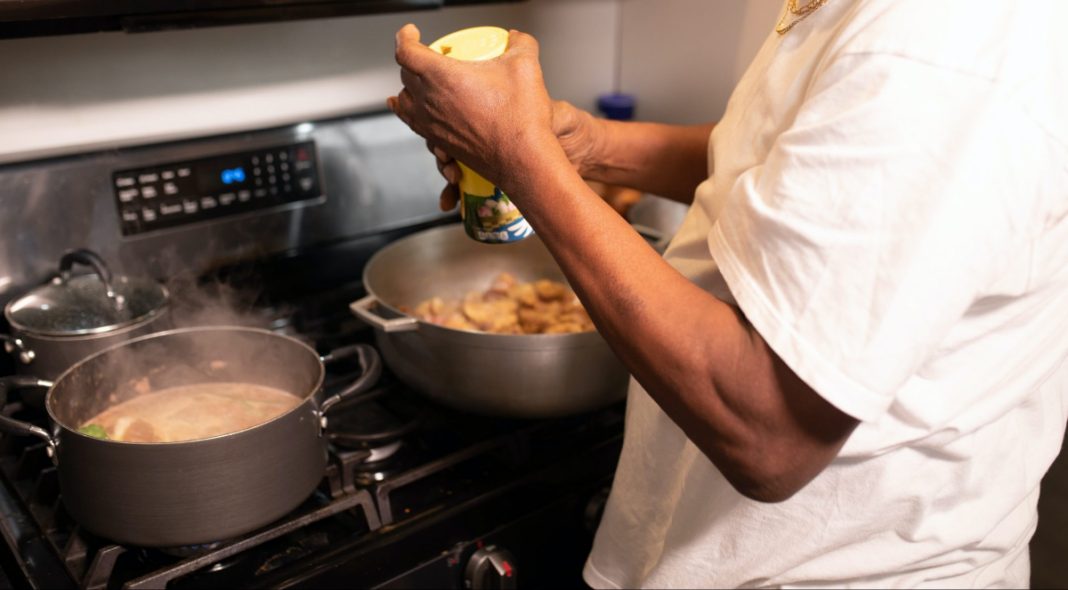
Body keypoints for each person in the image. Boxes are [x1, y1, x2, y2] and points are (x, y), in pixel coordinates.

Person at [387, 0, 1068, 586]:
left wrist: (522, 156)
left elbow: (769, 431)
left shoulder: (942, 43)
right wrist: (592, 146)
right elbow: (790, 163)